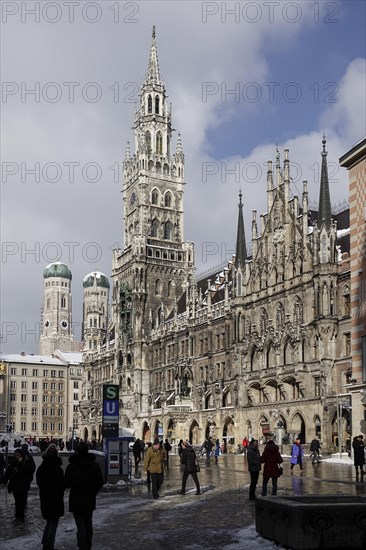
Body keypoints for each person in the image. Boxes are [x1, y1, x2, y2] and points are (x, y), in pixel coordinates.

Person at [64, 441, 104, 550]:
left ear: (77, 451)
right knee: (88, 523)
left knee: (80, 525)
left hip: (76, 499)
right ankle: (88, 544)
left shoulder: (72, 466)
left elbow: (67, 483)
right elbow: (100, 481)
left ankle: (82, 546)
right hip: (89, 498)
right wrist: (93, 492)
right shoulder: (94, 465)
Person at [36, 444, 65, 550]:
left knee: (49, 521)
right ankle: (49, 545)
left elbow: (39, 482)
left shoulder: (41, 468)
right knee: (53, 523)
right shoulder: (58, 469)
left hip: (45, 498)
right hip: (55, 499)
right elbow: (62, 485)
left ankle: (46, 543)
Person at [2, 447, 34, 521]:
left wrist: (22, 463)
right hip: (16, 485)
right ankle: (17, 516)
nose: (17, 457)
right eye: (16, 455)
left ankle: (21, 516)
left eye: (18, 455)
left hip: (23, 485)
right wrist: (4, 481)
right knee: (17, 501)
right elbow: (8, 472)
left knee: (22, 502)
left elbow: (29, 471)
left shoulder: (26, 462)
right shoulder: (13, 463)